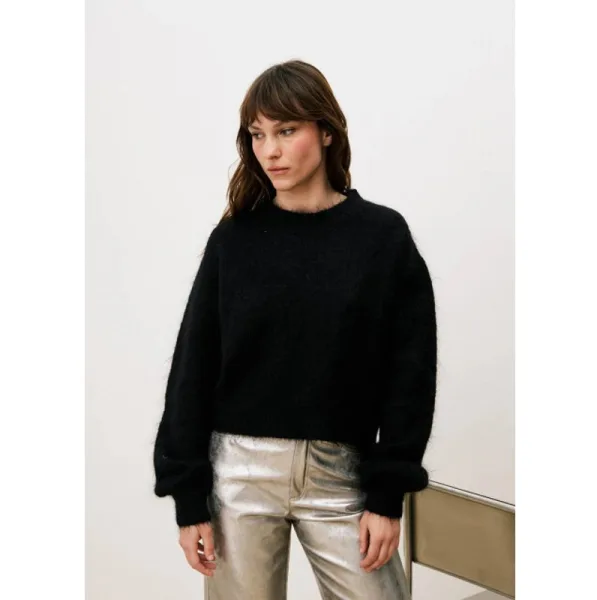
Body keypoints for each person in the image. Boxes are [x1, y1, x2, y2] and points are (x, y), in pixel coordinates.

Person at [153, 59, 438, 600]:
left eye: (286, 130)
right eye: (257, 134)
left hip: (341, 476)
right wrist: (188, 499)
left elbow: (411, 373)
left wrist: (387, 494)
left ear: (326, 131)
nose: (270, 151)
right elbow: (193, 368)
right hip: (237, 476)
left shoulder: (382, 238)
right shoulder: (235, 240)